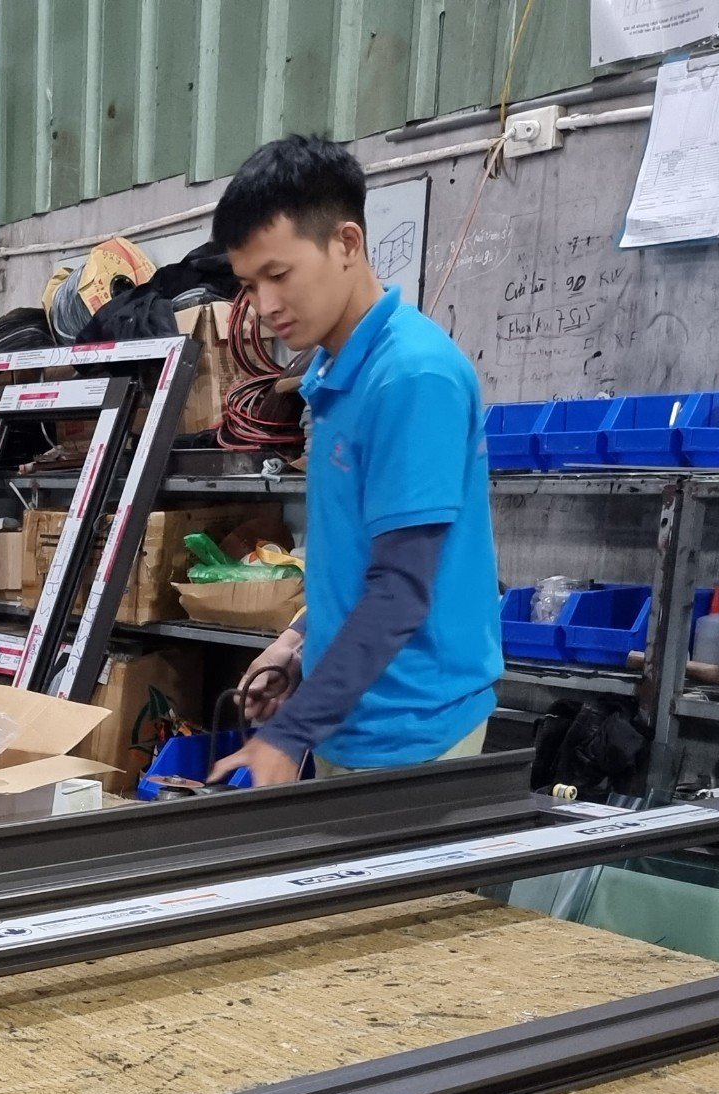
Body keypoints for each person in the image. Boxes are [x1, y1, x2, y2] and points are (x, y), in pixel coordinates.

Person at [205, 135, 502, 787]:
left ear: (346, 243)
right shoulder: (337, 373)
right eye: (250, 285)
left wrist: (290, 732)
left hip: (411, 733)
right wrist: (298, 644)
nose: (265, 306)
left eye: (279, 275)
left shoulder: (411, 377)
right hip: (352, 718)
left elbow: (401, 589)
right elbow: (359, 559)